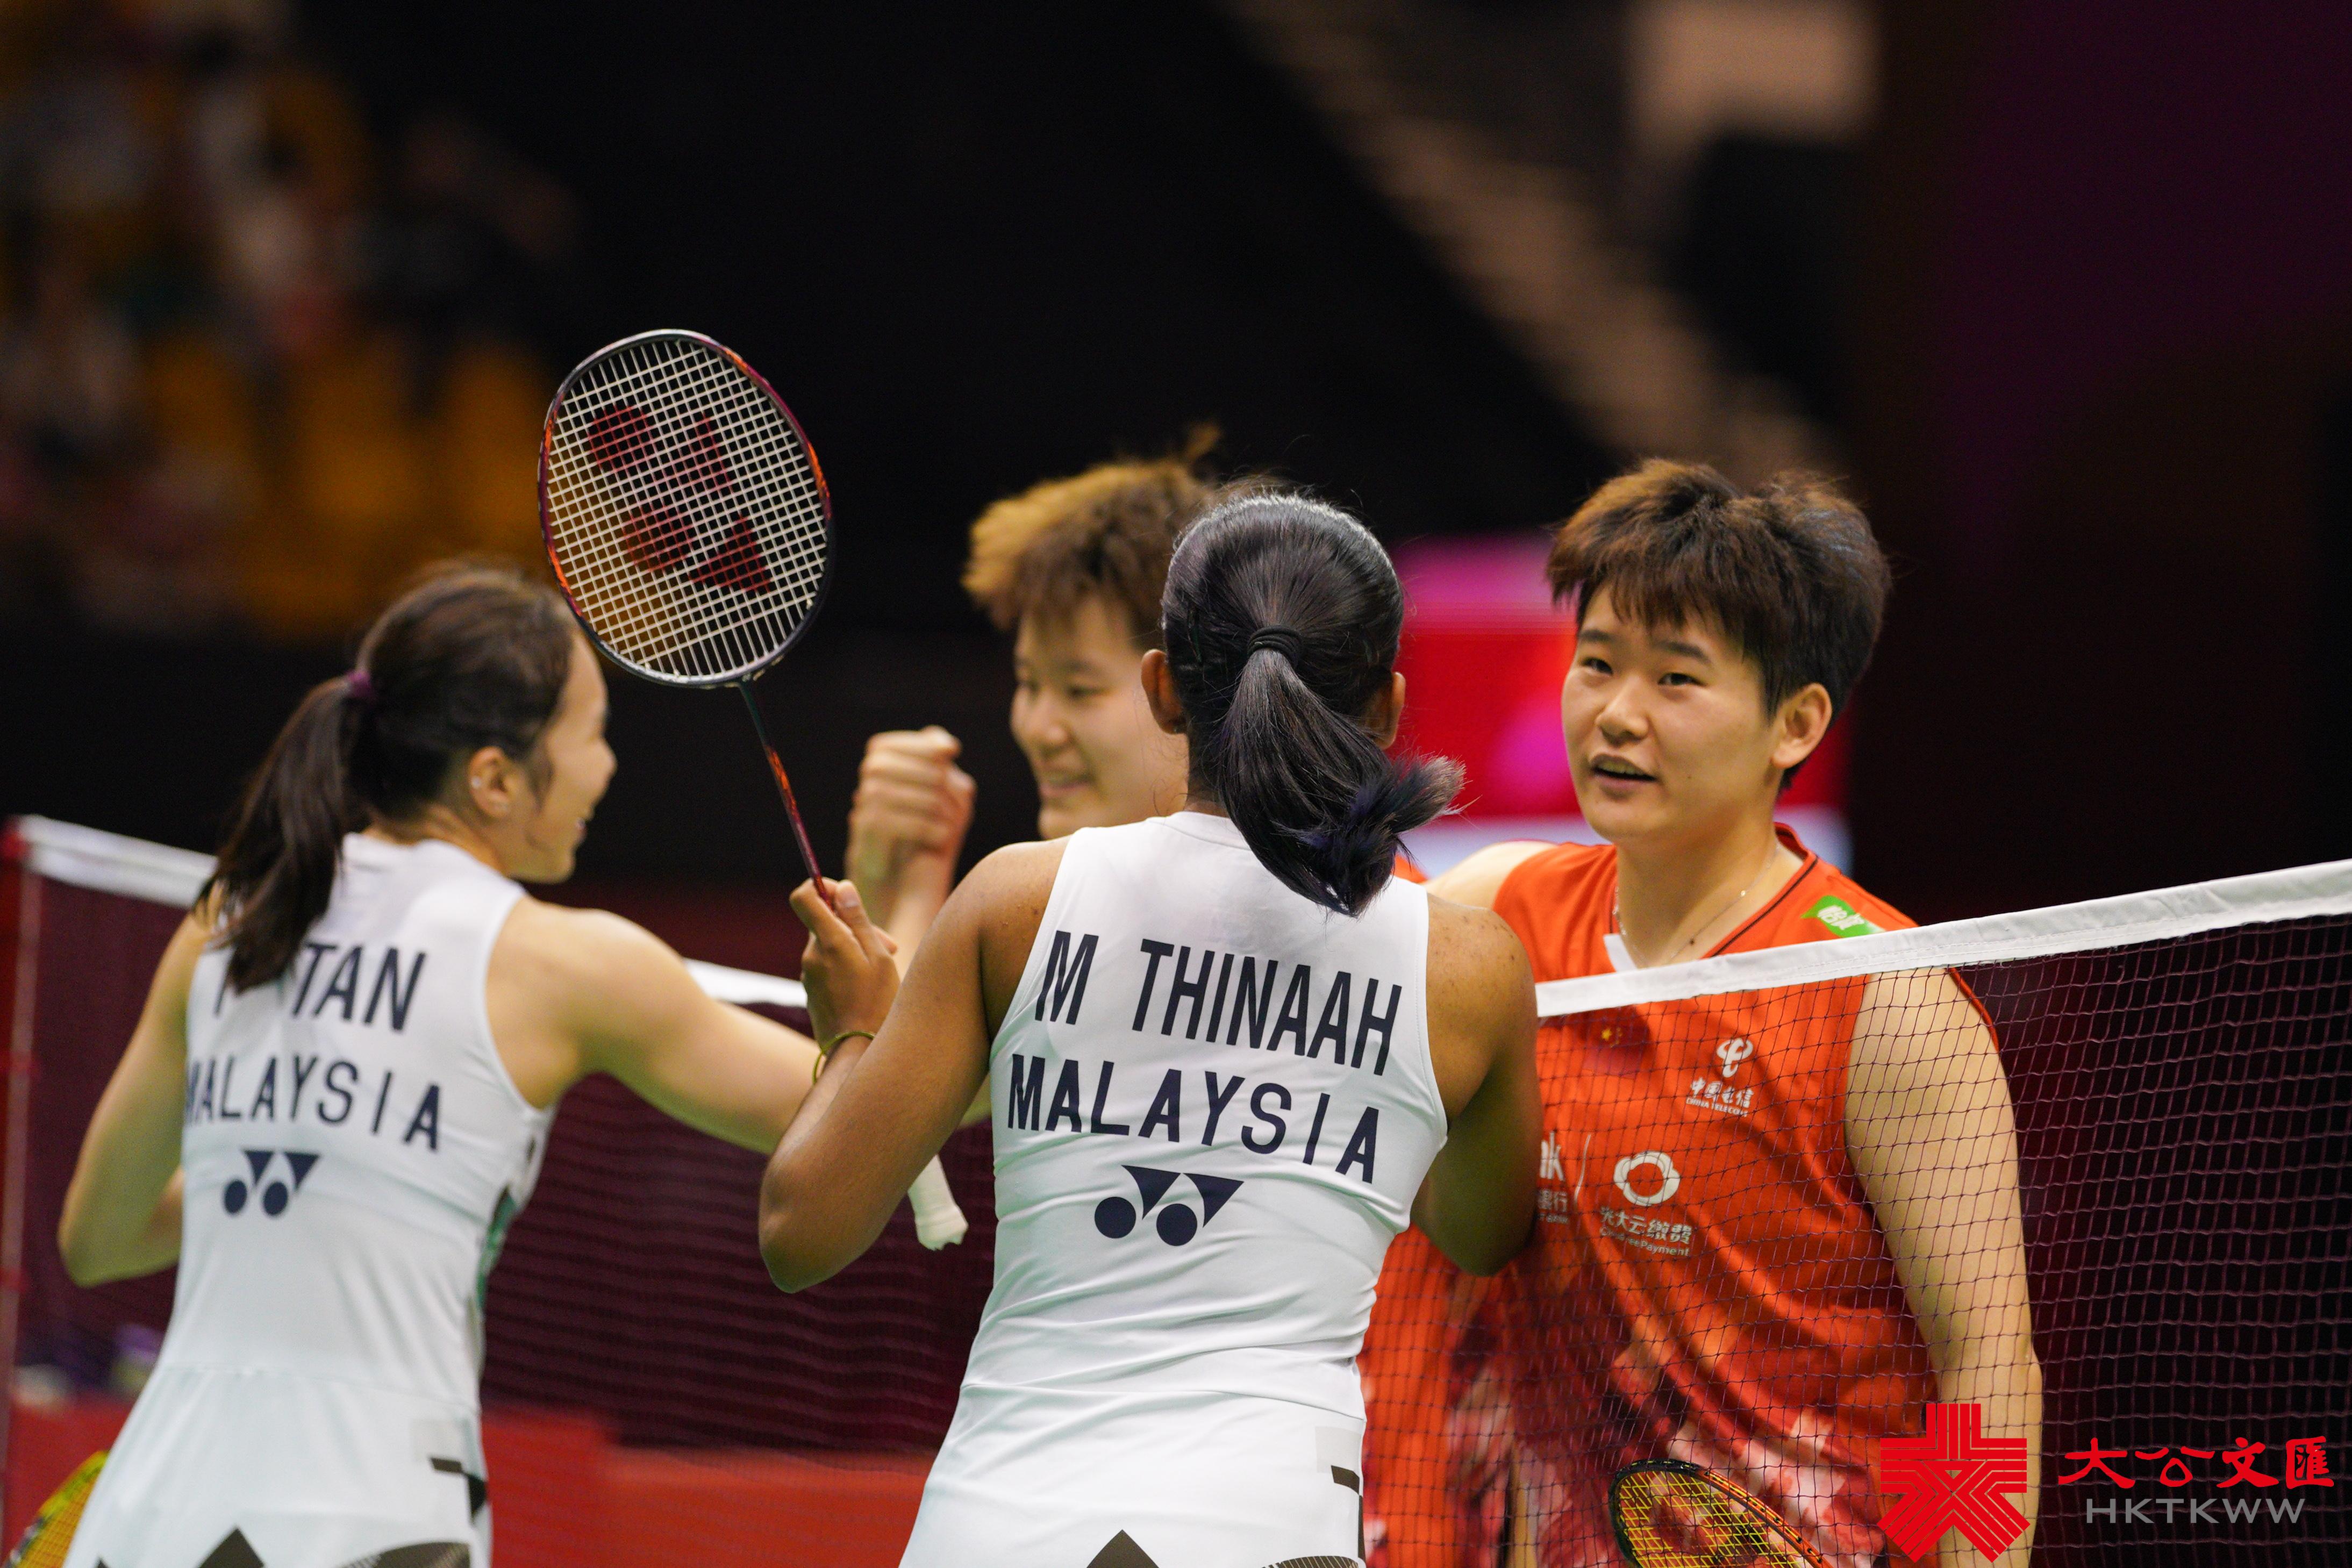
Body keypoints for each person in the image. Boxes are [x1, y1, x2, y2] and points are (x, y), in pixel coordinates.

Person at [759, 494, 1541, 1565]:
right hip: (1273, 1526)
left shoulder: (1014, 902)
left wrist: (852, 1032)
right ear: (1391, 703)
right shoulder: (1466, 968)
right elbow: (1483, 1232)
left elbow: (800, 1231)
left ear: (1162, 688)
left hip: (1002, 1522)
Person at [57, 565, 828, 1568]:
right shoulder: (563, 963)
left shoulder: (230, 921)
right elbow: (860, 1113)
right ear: (495, 778)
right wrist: (901, 964)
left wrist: (308, 1164)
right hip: (375, 1519)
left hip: (154, 1510)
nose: (608, 767)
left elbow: (99, 1238)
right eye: (593, 732)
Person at [1364, 461, 2041, 1568]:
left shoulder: (1891, 1005)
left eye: (1677, 678)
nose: (1616, 714)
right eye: (1596, 663)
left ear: (1795, 723)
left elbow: (1986, 1367)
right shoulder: (1493, 916)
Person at [841, 443, 1227, 961]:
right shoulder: (1053, 908)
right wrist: (885, 890)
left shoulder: (1260, 925)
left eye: (1080, 690)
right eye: (1028, 682)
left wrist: (910, 908)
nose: (1038, 729)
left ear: (1188, 692)